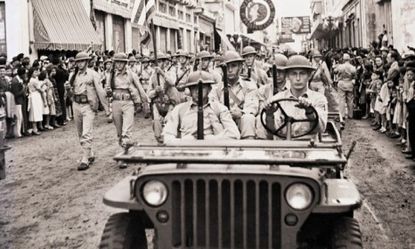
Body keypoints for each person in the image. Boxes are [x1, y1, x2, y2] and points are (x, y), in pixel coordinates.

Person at [163, 71, 240, 142]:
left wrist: (211, 139)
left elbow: (234, 134)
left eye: (202, 87)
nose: (198, 91)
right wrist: (185, 141)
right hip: (187, 152)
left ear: (209, 89)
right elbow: (167, 136)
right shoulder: (179, 110)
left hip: (214, 151)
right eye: (194, 88)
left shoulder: (219, 109)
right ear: (189, 90)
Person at [265, 55, 328, 138]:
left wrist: (310, 112)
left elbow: (321, 128)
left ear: (309, 76)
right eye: (293, 74)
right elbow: (271, 132)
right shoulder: (277, 99)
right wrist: (269, 115)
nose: (298, 78)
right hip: (282, 147)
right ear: (287, 76)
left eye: (302, 73)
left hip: (309, 146)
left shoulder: (318, 99)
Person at [105, 53, 149, 168]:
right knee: (119, 132)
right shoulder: (111, 75)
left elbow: (139, 88)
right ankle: (127, 149)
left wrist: (145, 101)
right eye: (117, 62)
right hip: (115, 103)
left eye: (122, 62)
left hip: (128, 104)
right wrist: (108, 91)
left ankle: (123, 157)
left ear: (125, 63)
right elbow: (107, 91)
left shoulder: (131, 74)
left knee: (126, 132)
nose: (119, 65)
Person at [69, 52, 107, 171]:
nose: (80, 64)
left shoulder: (93, 74)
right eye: (78, 61)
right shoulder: (73, 75)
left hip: (88, 105)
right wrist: (68, 90)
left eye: (82, 61)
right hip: (76, 104)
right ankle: (90, 153)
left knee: (86, 132)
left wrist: (107, 109)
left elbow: (100, 91)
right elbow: (70, 93)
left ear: (87, 62)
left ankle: (85, 159)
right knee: (80, 132)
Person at [209, 50, 259, 139]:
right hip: (224, 123)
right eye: (227, 67)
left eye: (234, 66)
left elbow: (252, 105)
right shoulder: (216, 89)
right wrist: (224, 114)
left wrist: (241, 113)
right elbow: (212, 108)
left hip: (241, 121)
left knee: (248, 118)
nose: (230, 70)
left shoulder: (249, 85)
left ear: (240, 66)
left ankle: (248, 147)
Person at [148, 52, 185, 143]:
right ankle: (160, 143)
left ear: (164, 63)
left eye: (160, 62)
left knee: (171, 126)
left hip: (170, 104)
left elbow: (172, 82)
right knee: (157, 126)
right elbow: (148, 94)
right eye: (156, 62)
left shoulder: (170, 73)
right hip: (157, 104)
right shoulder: (152, 77)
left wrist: (162, 73)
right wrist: (155, 91)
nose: (158, 64)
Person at [255, 53, 288, 139]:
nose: (277, 74)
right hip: (268, 126)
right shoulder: (264, 90)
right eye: (274, 71)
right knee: (259, 119)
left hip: (287, 127)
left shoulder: (291, 90)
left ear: (286, 72)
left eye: (280, 71)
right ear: (270, 72)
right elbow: (259, 107)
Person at [334, 53, 356, 125]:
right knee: (350, 99)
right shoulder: (352, 67)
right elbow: (354, 75)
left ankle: (342, 115)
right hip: (349, 83)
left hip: (341, 82)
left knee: (341, 99)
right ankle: (350, 115)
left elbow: (335, 71)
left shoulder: (340, 66)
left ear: (343, 59)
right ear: (349, 59)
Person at [27, 68, 45, 135]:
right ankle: (34, 128)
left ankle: (35, 128)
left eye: (37, 72)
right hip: (34, 96)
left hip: (36, 95)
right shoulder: (33, 80)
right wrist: (43, 85)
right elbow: (39, 88)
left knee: (36, 111)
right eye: (35, 72)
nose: (36, 73)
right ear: (32, 73)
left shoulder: (34, 79)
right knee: (34, 112)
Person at [9, 67, 27, 137]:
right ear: (21, 74)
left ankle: (20, 131)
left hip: (20, 101)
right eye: (24, 74)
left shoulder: (19, 80)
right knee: (18, 117)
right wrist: (23, 89)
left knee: (20, 117)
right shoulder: (15, 81)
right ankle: (17, 133)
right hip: (17, 101)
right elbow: (15, 94)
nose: (25, 75)